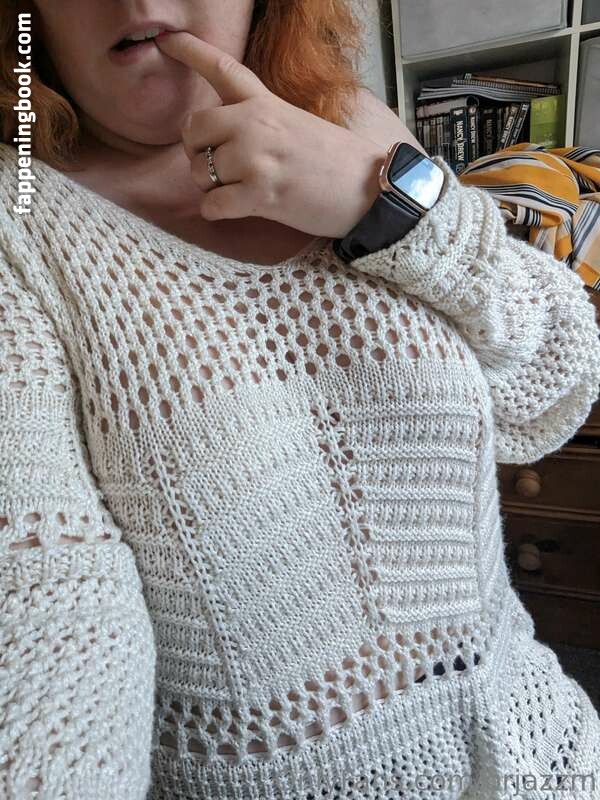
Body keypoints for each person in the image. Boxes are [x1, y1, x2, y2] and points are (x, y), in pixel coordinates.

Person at [1, 1, 599, 799]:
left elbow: (550, 389)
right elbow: (46, 596)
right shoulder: (19, 223)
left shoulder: (346, 116)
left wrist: (388, 206)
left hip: (545, 743)